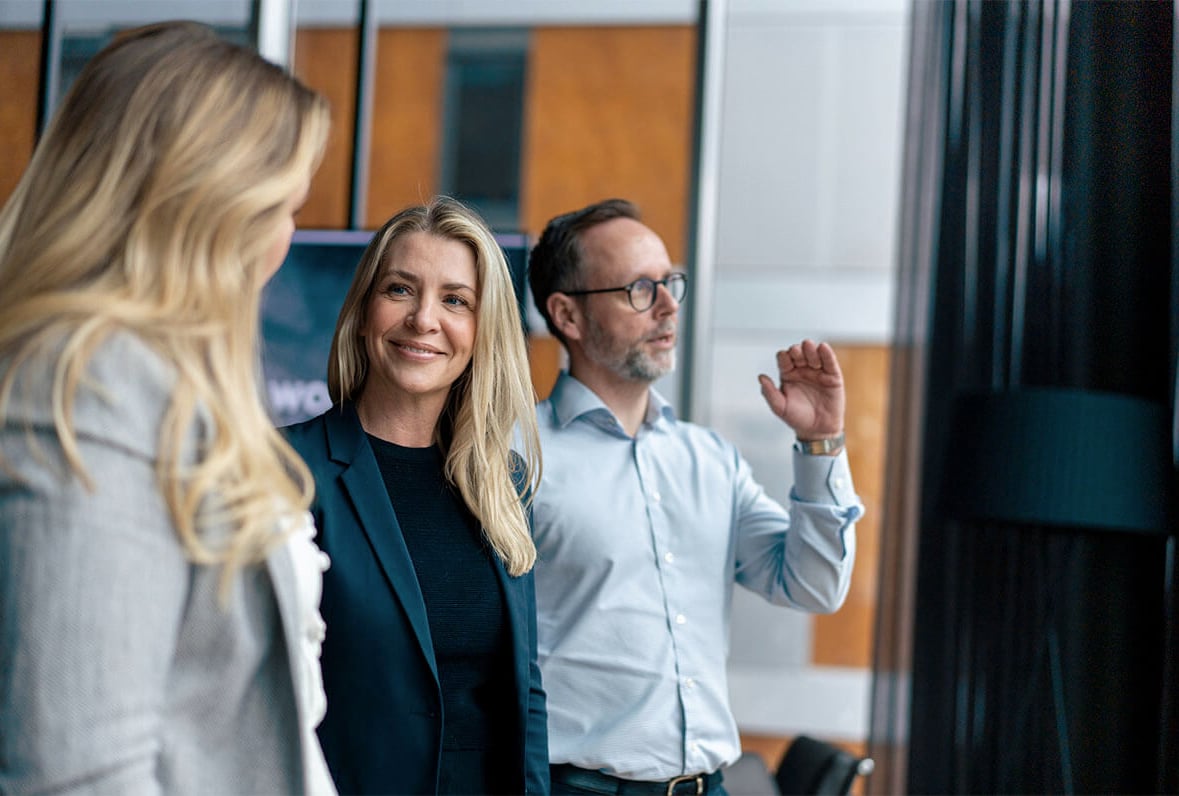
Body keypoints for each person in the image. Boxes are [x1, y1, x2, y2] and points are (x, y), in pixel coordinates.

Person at [0, 21, 334, 795]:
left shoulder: (142, 379)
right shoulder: (88, 386)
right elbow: (76, 773)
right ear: (214, 206)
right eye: (284, 207)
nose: (287, 237)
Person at [526, 198, 865, 795]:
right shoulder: (517, 456)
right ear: (567, 315)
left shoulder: (710, 461)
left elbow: (813, 584)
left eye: (669, 283)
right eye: (638, 288)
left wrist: (819, 444)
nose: (667, 306)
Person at [284, 196, 549, 795]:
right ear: (362, 311)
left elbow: (525, 689)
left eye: (455, 300)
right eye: (400, 290)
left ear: (484, 333)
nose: (424, 319)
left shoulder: (502, 482)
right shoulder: (285, 472)